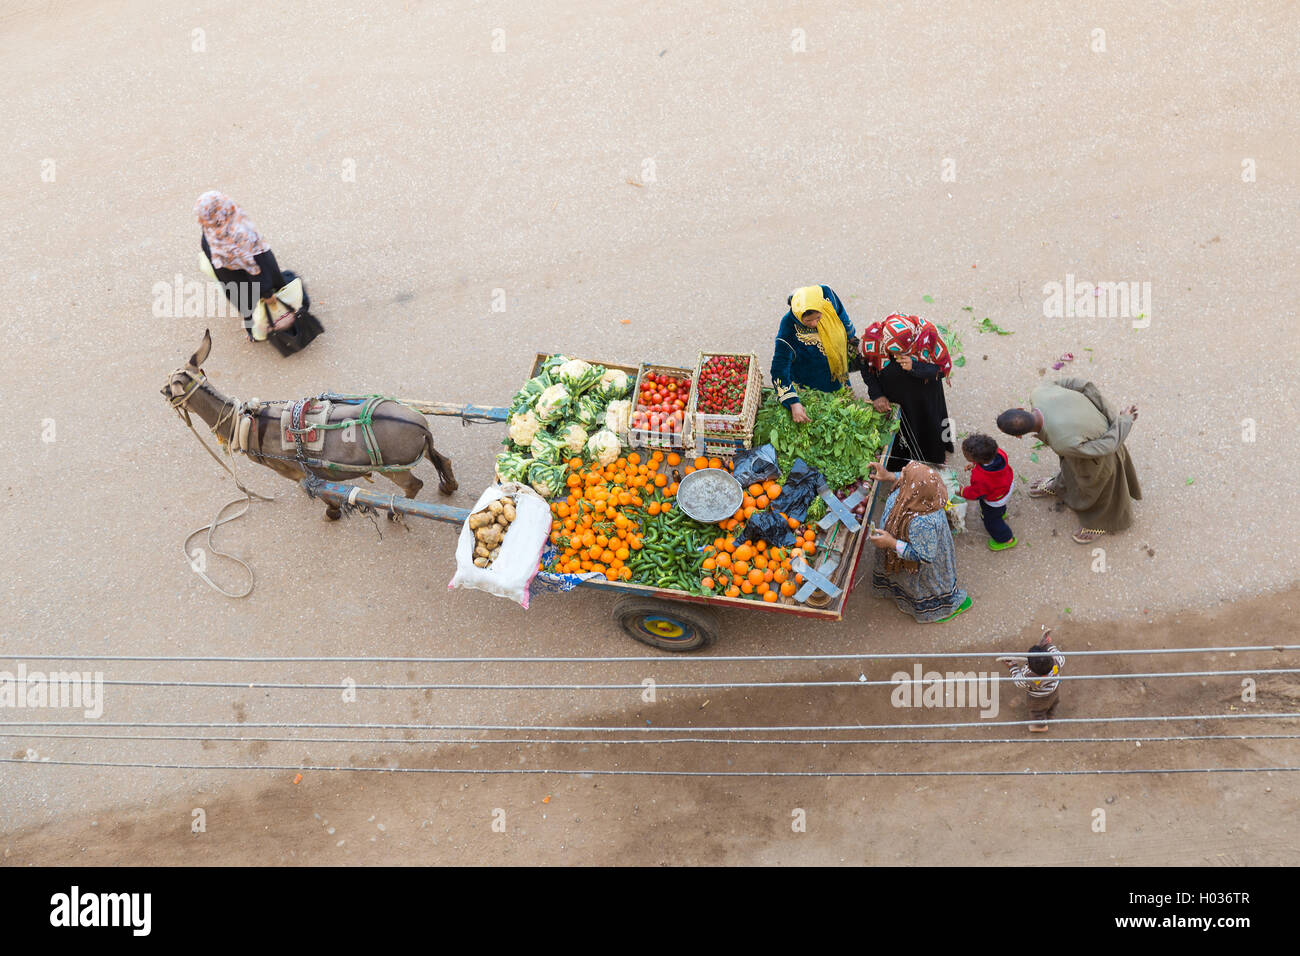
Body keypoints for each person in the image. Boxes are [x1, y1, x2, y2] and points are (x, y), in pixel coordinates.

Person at [996, 377, 1140, 544]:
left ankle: (1100, 523)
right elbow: (1081, 384)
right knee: (1070, 467)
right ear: (1020, 408)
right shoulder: (1039, 392)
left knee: (1098, 487)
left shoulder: (1062, 443)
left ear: (1019, 436)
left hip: (1101, 457)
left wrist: (1121, 422)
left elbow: (1107, 446)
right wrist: (1114, 417)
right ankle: (1059, 486)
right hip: (1082, 448)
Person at [195, 191, 317, 347]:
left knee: (249, 309)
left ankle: (254, 332)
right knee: (282, 296)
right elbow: (255, 267)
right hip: (259, 281)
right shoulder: (238, 232)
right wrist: (266, 293)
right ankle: (291, 321)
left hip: (234, 285)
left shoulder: (209, 234)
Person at [866, 460, 971, 623]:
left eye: (904, 474)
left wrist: (891, 543)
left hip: (918, 563)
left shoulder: (922, 522)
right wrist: (888, 476)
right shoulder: (922, 492)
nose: (901, 472)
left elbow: (924, 556)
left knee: (921, 585)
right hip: (902, 543)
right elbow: (908, 481)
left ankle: (938, 609)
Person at [857, 313, 954, 472]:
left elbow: (942, 370)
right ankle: (905, 463)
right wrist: (877, 394)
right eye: (892, 353)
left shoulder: (927, 335)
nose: (896, 357)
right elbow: (866, 369)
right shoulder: (872, 340)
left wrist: (914, 366)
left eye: (902, 352)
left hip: (926, 395)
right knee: (905, 428)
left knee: (932, 422)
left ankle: (936, 455)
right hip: (897, 396)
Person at [770, 285, 857, 424]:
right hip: (811, 381)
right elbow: (779, 370)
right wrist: (793, 403)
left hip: (837, 371)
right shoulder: (787, 329)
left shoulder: (827, 296)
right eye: (808, 321)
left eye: (818, 317)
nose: (814, 323)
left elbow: (842, 315)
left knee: (845, 408)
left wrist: (851, 337)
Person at [998, 628, 1065, 733]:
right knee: (1053, 703)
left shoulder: (1029, 677)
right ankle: (1051, 715)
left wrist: (1013, 667)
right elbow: (1055, 652)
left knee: (1037, 712)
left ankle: (1040, 726)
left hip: (1037, 699)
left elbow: (1018, 681)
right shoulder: (1057, 660)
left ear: (1029, 665)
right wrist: (1046, 645)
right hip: (1053, 690)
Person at [959, 433, 1016, 551]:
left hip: (995, 499)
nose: (963, 454)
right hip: (1006, 487)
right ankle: (1001, 513)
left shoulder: (980, 478)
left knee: (991, 521)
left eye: (965, 454)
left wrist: (962, 491)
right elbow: (986, 462)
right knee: (998, 509)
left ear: (976, 459)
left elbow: (976, 493)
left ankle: (1006, 539)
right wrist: (975, 465)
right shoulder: (999, 453)